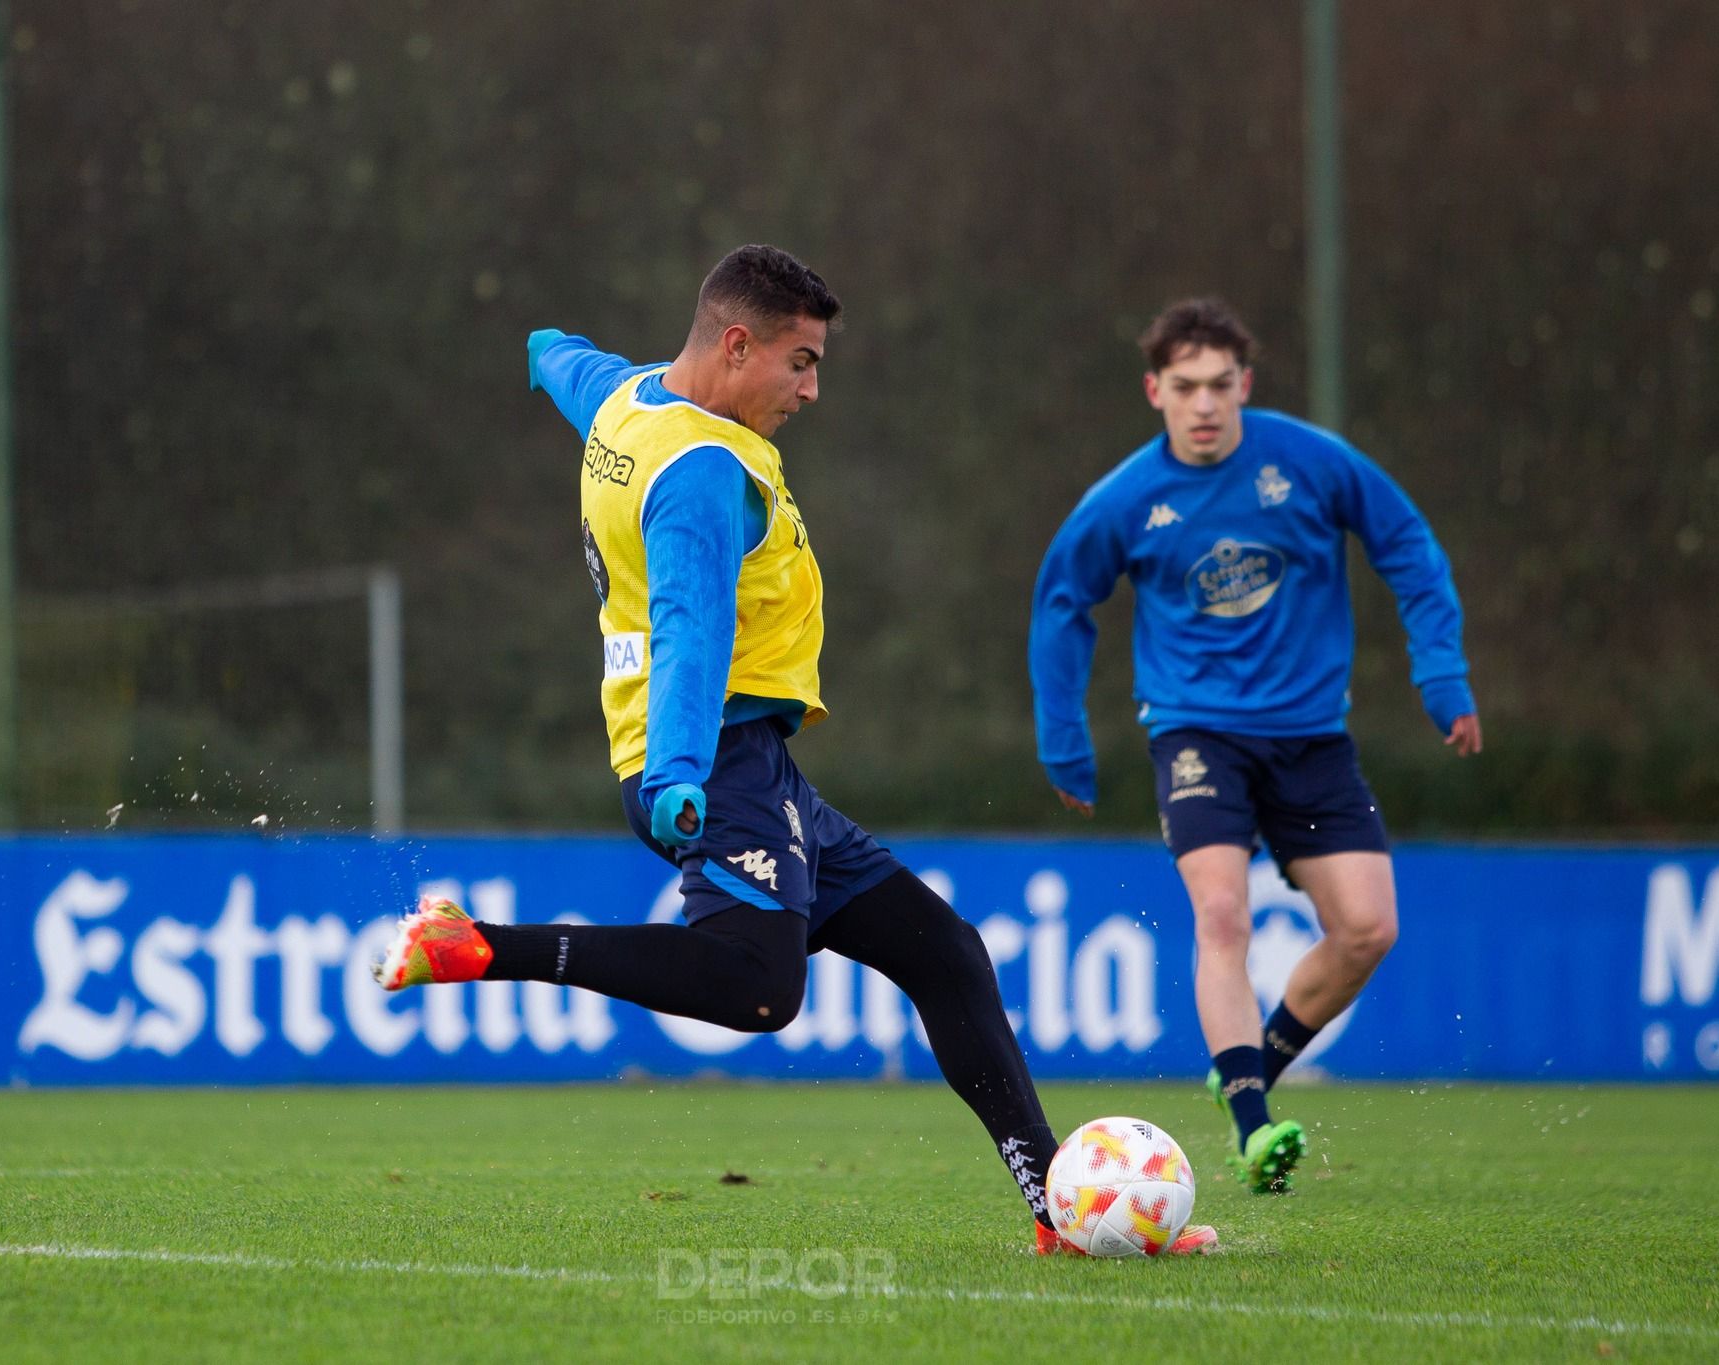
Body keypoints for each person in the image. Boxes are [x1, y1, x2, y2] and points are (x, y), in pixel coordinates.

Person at [374, 245, 1215, 1256]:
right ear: (735, 345)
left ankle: (1057, 1215)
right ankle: (478, 945)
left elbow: (573, 367)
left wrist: (542, 350)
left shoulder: (628, 402)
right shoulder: (699, 478)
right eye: (799, 362)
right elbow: (692, 629)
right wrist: (681, 772)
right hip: (708, 759)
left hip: (747, 763)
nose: (812, 389)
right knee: (760, 992)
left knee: (944, 955)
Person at [1028, 298, 1482, 1194]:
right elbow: (1061, 603)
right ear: (1155, 390)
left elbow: (1408, 546)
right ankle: (1252, 1128)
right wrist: (1062, 735)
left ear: (1246, 384)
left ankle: (1251, 1064)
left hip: (1312, 736)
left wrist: (1442, 675)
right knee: (1223, 915)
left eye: (1220, 385)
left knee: (1367, 929)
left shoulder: (1311, 464)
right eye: (1186, 387)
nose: (1204, 404)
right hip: (1197, 734)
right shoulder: (1124, 500)